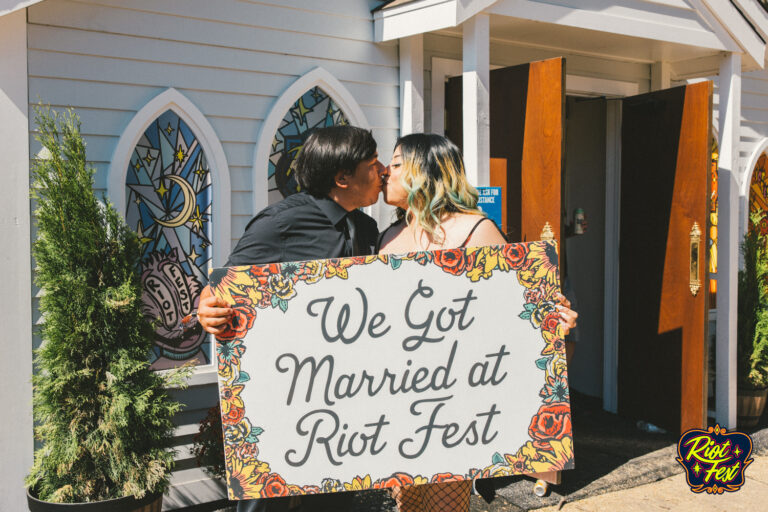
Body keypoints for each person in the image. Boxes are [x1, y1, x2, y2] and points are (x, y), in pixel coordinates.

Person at [377, 133, 578, 512]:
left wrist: (551, 318)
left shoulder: (474, 229)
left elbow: (518, 305)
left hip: (454, 396)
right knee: (406, 504)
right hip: (396, 394)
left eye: (399, 162)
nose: (388, 171)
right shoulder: (388, 236)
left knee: (444, 503)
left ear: (428, 171)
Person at [197, 125, 386, 512]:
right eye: (372, 164)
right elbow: (223, 287)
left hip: (343, 397)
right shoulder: (280, 224)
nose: (382, 171)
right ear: (342, 177)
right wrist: (207, 307)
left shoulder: (366, 228)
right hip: (281, 395)